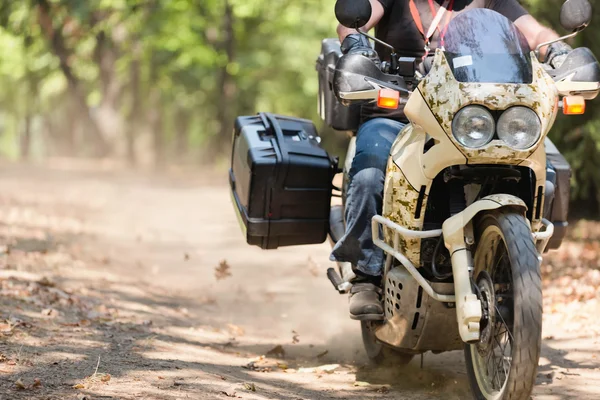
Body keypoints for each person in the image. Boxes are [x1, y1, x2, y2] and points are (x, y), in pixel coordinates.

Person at [330, 0, 572, 321]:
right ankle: (367, 275)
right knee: (371, 167)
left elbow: (535, 31)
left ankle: (513, 261)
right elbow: (352, 21)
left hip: (470, 119)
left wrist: (558, 52)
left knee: (542, 162)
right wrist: (356, 43)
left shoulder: (490, 1)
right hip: (399, 113)